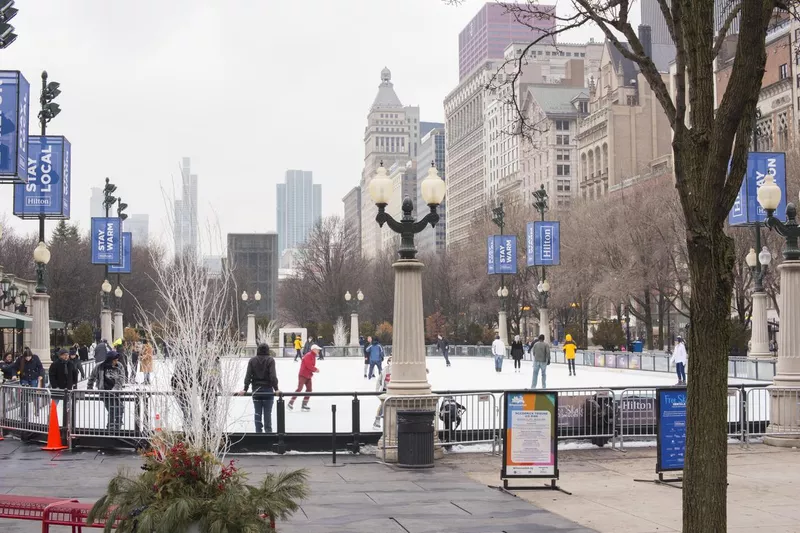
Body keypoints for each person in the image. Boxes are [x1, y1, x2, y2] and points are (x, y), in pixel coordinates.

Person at [240, 343, 279, 433]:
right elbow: (272, 376)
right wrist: (276, 388)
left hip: (256, 390)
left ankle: (258, 432)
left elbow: (248, 376)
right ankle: (268, 432)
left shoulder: (252, 360)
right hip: (268, 390)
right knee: (267, 413)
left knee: (257, 412)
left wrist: (245, 389)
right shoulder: (270, 360)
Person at [87, 350, 126, 430]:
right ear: (110, 359)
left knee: (120, 408)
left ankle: (118, 425)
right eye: (114, 360)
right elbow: (92, 377)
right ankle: (110, 427)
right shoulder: (100, 366)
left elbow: (121, 378)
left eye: (117, 360)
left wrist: (115, 389)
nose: (116, 361)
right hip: (104, 392)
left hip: (117, 392)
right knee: (112, 409)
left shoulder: (119, 366)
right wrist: (89, 388)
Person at [288, 344, 320, 411]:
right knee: (299, 389)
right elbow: (308, 365)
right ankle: (290, 403)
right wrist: (315, 369)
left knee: (309, 389)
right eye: (317, 349)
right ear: (313, 349)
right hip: (303, 375)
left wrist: (313, 370)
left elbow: (310, 366)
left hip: (308, 375)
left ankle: (304, 405)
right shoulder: (308, 355)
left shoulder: (313, 356)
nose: (318, 351)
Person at [372, 355, 392, 429]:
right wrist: (377, 391)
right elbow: (379, 380)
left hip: (394, 391)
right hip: (385, 390)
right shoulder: (384, 370)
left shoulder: (398, 370)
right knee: (383, 405)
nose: (391, 362)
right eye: (390, 360)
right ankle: (377, 421)